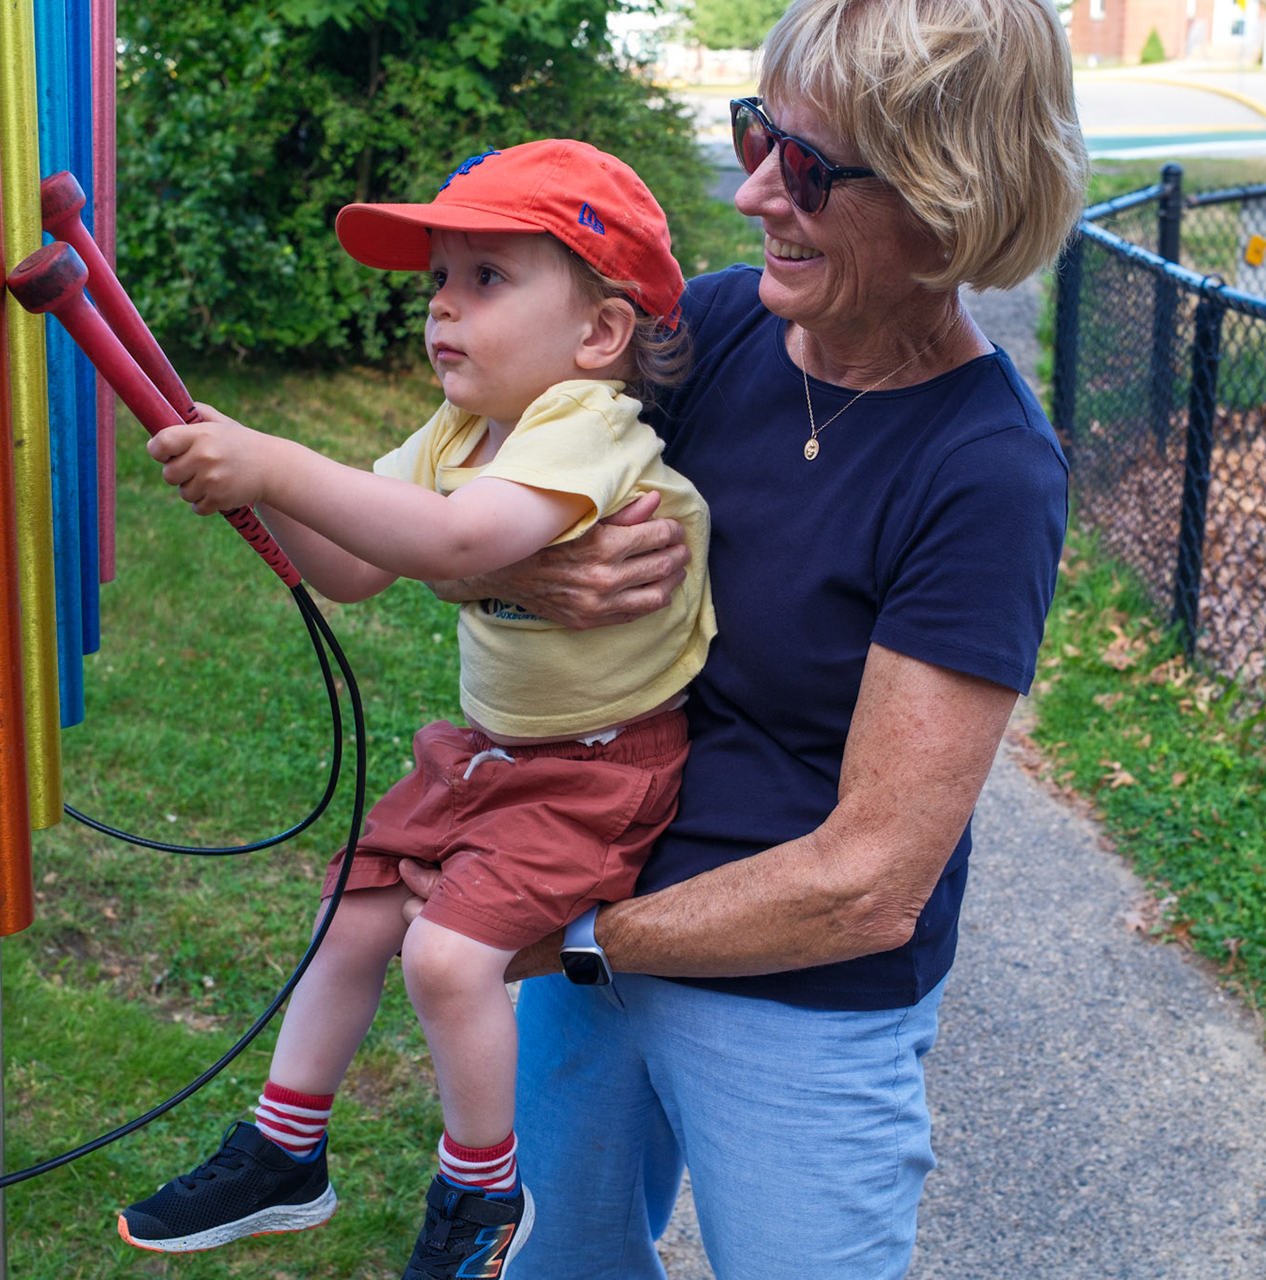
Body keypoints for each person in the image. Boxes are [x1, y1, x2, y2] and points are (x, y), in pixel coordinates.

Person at [398, 1, 1086, 1275]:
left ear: (950, 194)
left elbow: (871, 880)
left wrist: (583, 937)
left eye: (807, 167)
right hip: (591, 879)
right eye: (755, 133)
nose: (753, 189)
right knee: (555, 1262)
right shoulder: (715, 329)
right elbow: (464, 503)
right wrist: (523, 576)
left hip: (789, 993)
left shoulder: (986, 471)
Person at [112, 139, 714, 1280]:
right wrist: (236, 477)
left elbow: (457, 541)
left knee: (445, 957)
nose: (442, 305)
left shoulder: (586, 421)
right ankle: (287, 1146)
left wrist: (279, 464)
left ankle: (484, 1191)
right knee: (356, 905)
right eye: (441, 277)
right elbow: (354, 566)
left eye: (487, 278)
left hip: (599, 769)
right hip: (496, 754)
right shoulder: (459, 433)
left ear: (598, 332)